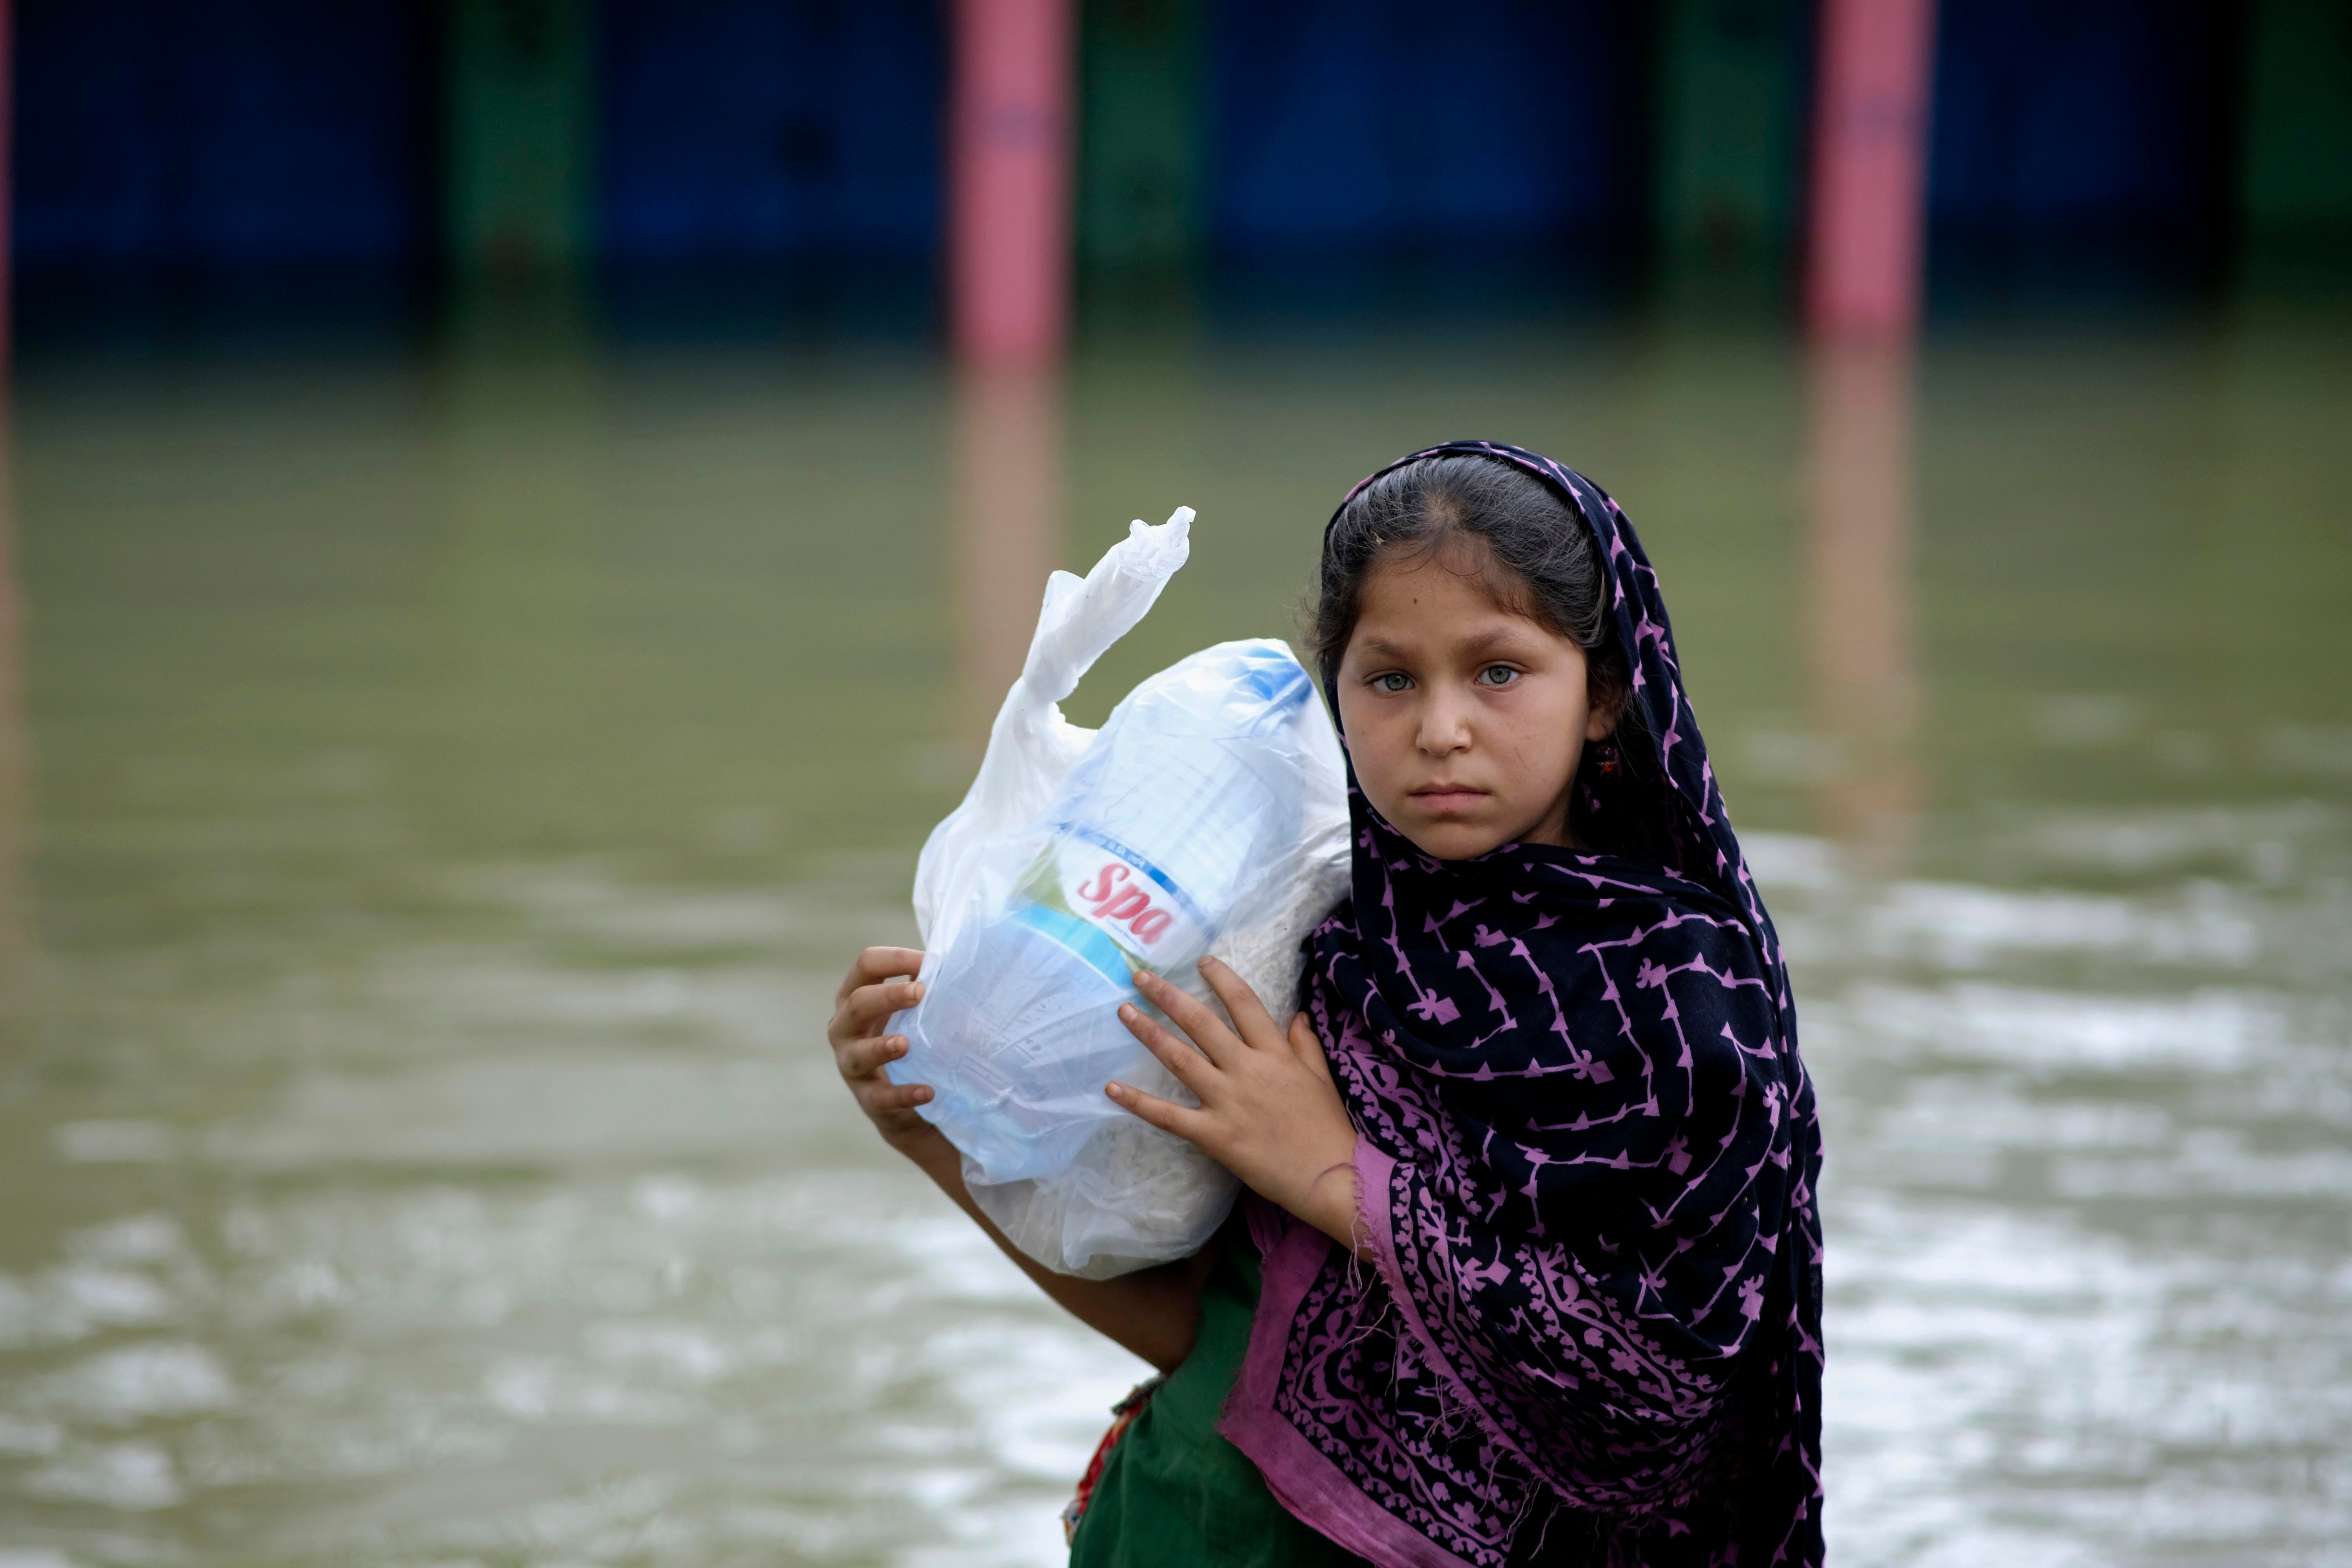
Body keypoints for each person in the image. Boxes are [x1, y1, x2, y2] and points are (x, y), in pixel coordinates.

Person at [828, 443, 1824, 1566]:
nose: (1440, 728)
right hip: (1177, 1527)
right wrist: (929, 1130)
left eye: (1498, 671)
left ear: (1603, 691)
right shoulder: (1320, 948)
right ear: (1334, 691)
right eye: (1389, 679)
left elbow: (1650, 1398)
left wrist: (1337, 1176)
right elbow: (1196, 1331)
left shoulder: (1687, 1000)